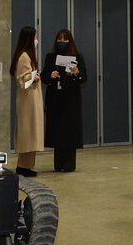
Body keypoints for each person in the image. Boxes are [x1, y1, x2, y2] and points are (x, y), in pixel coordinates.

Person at [41, 29, 88, 172]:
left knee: (70, 132)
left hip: (71, 101)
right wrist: (51, 75)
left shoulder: (77, 57)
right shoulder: (50, 57)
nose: (61, 42)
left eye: (65, 40)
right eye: (59, 40)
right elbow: (44, 75)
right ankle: (58, 163)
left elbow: (84, 78)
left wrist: (76, 73)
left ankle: (69, 164)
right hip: (55, 99)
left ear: (70, 41)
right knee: (57, 132)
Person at [10, 26, 43, 177]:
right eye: (35, 37)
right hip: (27, 100)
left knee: (32, 132)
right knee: (28, 132)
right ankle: (23, 166)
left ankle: (27, 165)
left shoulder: (28, 55)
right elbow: (23, 79)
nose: (37, 40)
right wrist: (34, 77)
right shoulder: (24, 56)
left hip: (32, 98)